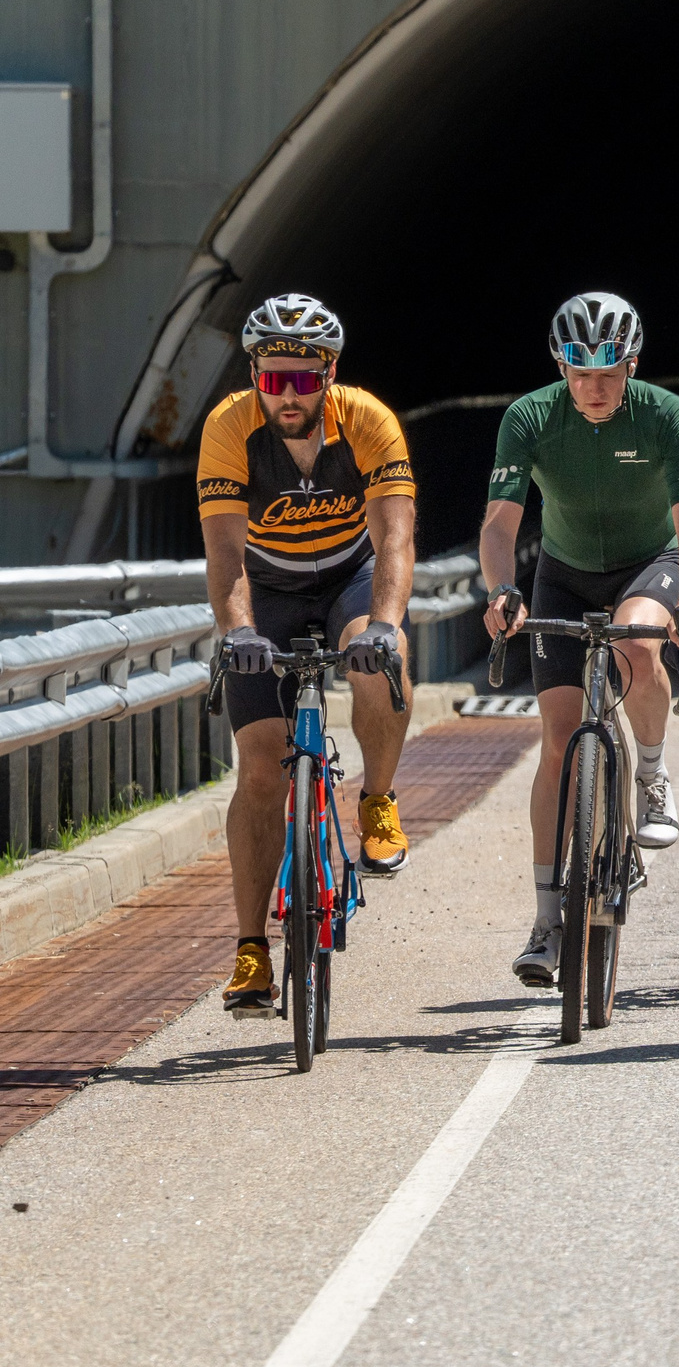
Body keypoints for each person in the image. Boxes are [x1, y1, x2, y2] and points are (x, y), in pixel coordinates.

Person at [481, 292, 679, 987]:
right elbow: (499, 526)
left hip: (651, 564)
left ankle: (649, 772)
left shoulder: (666, 414)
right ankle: (549, 919)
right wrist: (500, 588)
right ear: (562, 366)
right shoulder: (529, 416)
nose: (594, 388)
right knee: (557, 741)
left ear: (632, 364)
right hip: (563, 573)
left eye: (609, 372)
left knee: (639, 641)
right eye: (579, 373)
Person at [203, 294, 418, 1016]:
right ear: (254, 373)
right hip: (264, 587)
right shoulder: (230, 426)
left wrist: (384, 624)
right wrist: (238, 632)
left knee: (381, 660)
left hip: (346, 578)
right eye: (272, 378)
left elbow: (394, 536)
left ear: (330, 372)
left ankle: (378, 800)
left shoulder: (367, 420)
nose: (287, 394)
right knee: (262, 768)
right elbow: (225, 549)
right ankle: (250, 951)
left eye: (302, 378)